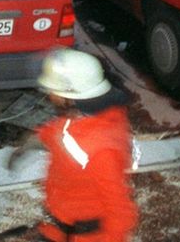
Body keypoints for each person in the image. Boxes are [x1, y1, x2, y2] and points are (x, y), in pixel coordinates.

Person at [29, 47, 138, 242]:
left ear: (70, 97)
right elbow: (62, 134)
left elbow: (120, 209)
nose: (49, 95)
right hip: (58, 226)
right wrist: (37, 139)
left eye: (52, 90)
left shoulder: (101, 150)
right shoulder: (80, 118)